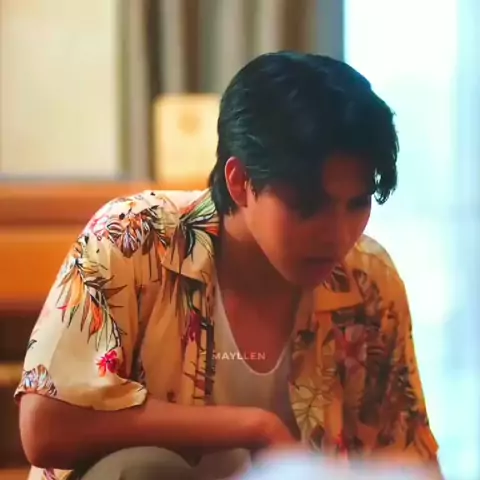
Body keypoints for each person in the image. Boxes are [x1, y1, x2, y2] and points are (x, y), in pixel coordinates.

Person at [16, 51, 441, 480]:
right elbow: (45, 425)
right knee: (141, 469)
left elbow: (410, 457)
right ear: (240, 181)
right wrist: (253, 428)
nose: (338, 234)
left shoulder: (368, 278)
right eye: (308, 205)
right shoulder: (136, 236)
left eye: (357, 204)